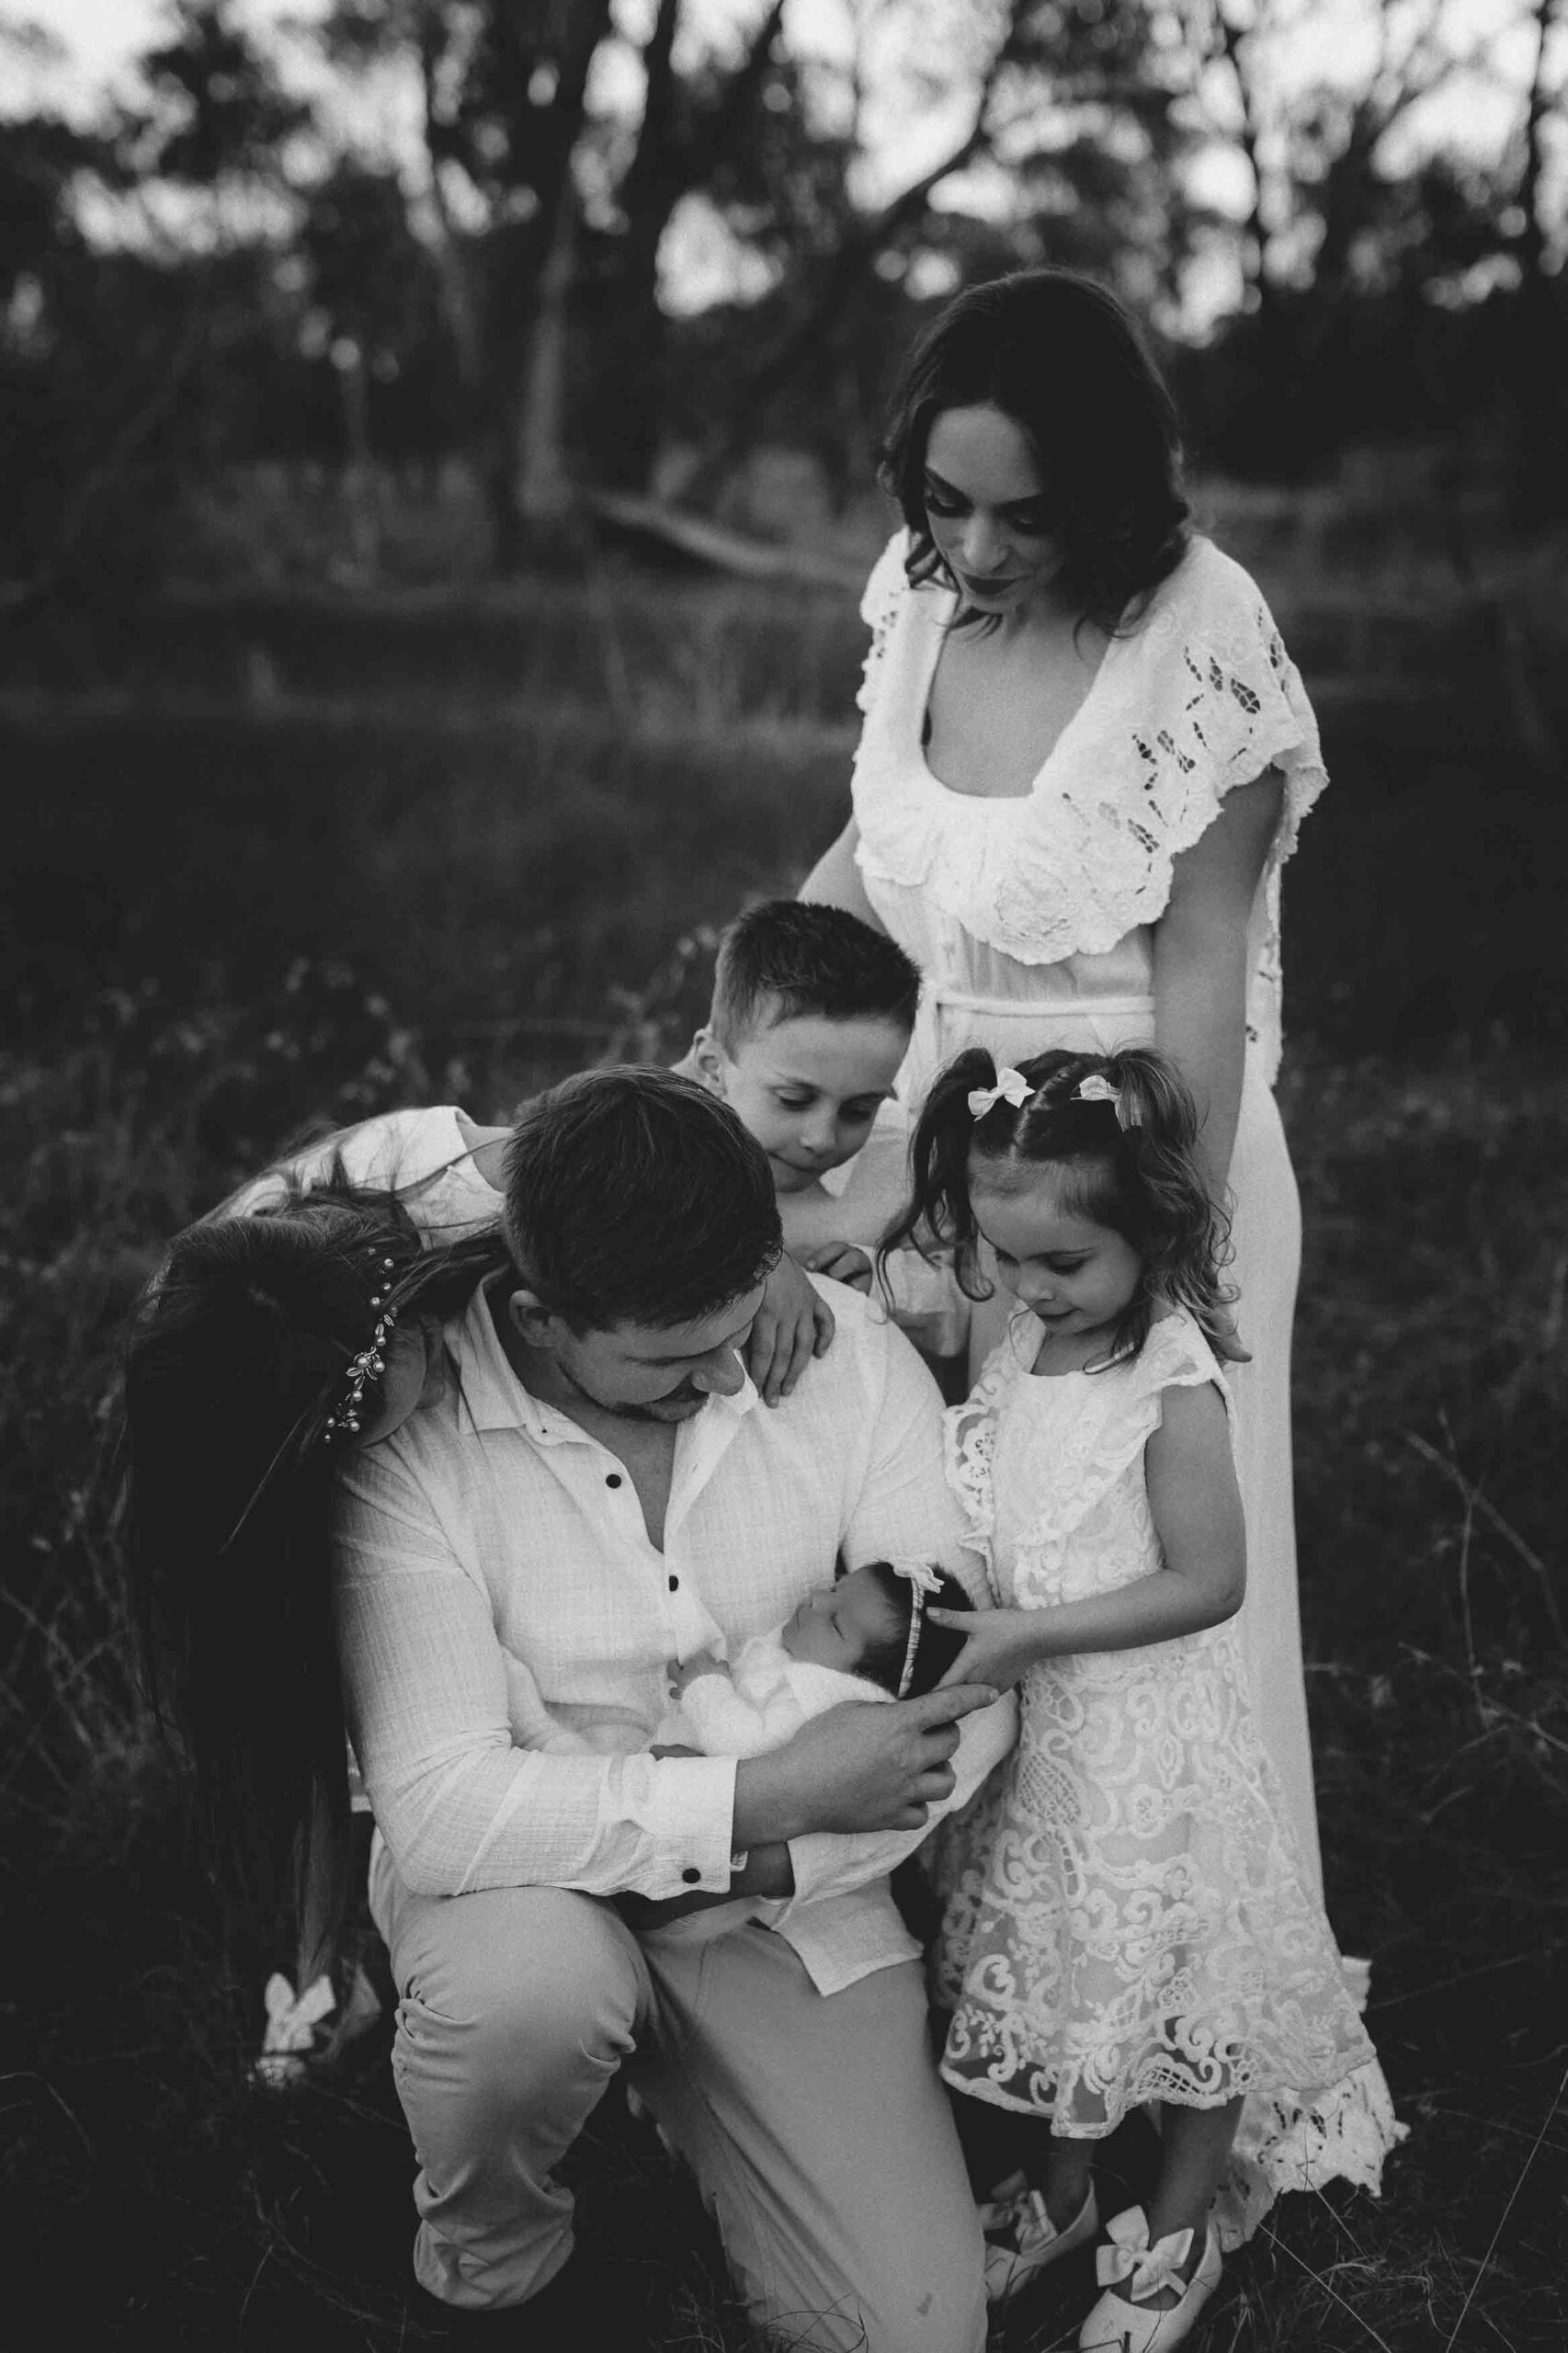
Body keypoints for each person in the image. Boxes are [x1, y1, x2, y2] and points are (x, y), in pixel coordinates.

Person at [330, 1066, 1017, 2351]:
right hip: (522, 1906)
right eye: (670, 1361)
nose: (724, 1381)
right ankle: (495, 2253)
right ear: (540, 1319)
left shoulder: (836, 1357)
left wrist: (765, 1855)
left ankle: (684, 2088)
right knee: (524, 1999)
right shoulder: (413, 1441)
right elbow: (437, 1813)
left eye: (735, 1326)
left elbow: (967, 1693)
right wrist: (762, 1799)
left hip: (783, 1909)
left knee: (915, 2337)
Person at [801, 264, 1330, 1905]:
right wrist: (739, 1064)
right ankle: (965, 1999)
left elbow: (1201, 985)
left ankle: (1162, 2007)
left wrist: (1147, 1260)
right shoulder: (919, 600)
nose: (975, 550)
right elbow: (878, 853)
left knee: (1124, 1598)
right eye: (945, 503)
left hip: (1129, 1170)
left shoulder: (1199, 634)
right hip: (936, 1165)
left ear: (1106, 493)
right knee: (942, 1548)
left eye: (1023, 519)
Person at [884, 1045, 1401, 2348]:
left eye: (1060, 1266)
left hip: (1146, 1753)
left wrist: (1030, 1631)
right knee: (1061, 1983)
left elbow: (1207, 1581)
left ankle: (1172, 2232)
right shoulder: (1022, 1356)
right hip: (1048, 1751)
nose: (1024, 1290)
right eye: (1003, 1260)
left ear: (1151, 1229)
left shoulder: (1166, 1382)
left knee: (1183, 1996)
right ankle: (1059, 2195)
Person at [679, 897, 969, 1358]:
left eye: (859, 1110)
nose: (822, 1139)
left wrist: (882, 1280)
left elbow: (965, 1309)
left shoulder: (906, 1166)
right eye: (795, 1101)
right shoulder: (658, 1150)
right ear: (714, 1066)